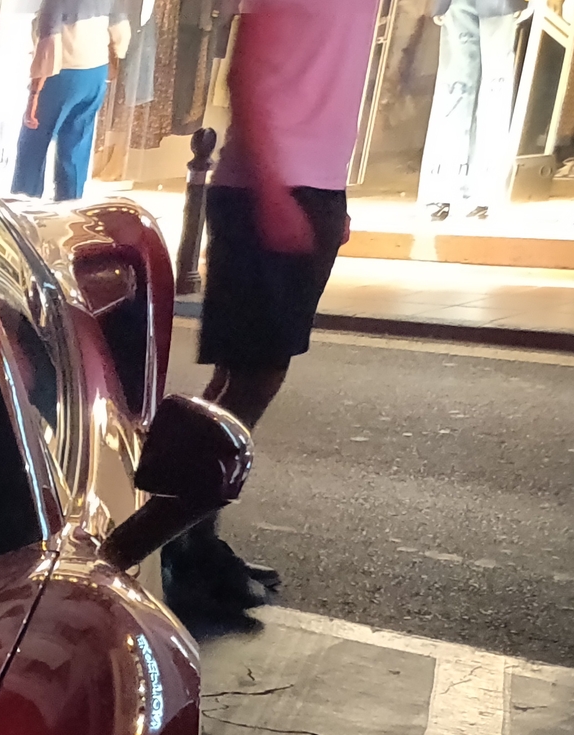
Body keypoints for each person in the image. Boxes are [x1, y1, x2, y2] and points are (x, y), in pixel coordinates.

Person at [161, 0, 368, 614]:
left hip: (310, 183)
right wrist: (277, 192)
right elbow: (247, 71)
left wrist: (330, 191)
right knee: (251, 379)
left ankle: (185, 533)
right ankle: (175, 538)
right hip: (268, 185)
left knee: (240, 377)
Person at [12, 0, 126, 197]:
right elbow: (120, 30)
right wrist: (113, 60)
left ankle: (24, 209)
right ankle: (70, 210)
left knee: (32, 145)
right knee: (76, 147)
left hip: (64, 73)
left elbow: (48, 43)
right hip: (96, 71)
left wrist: (34, 95)